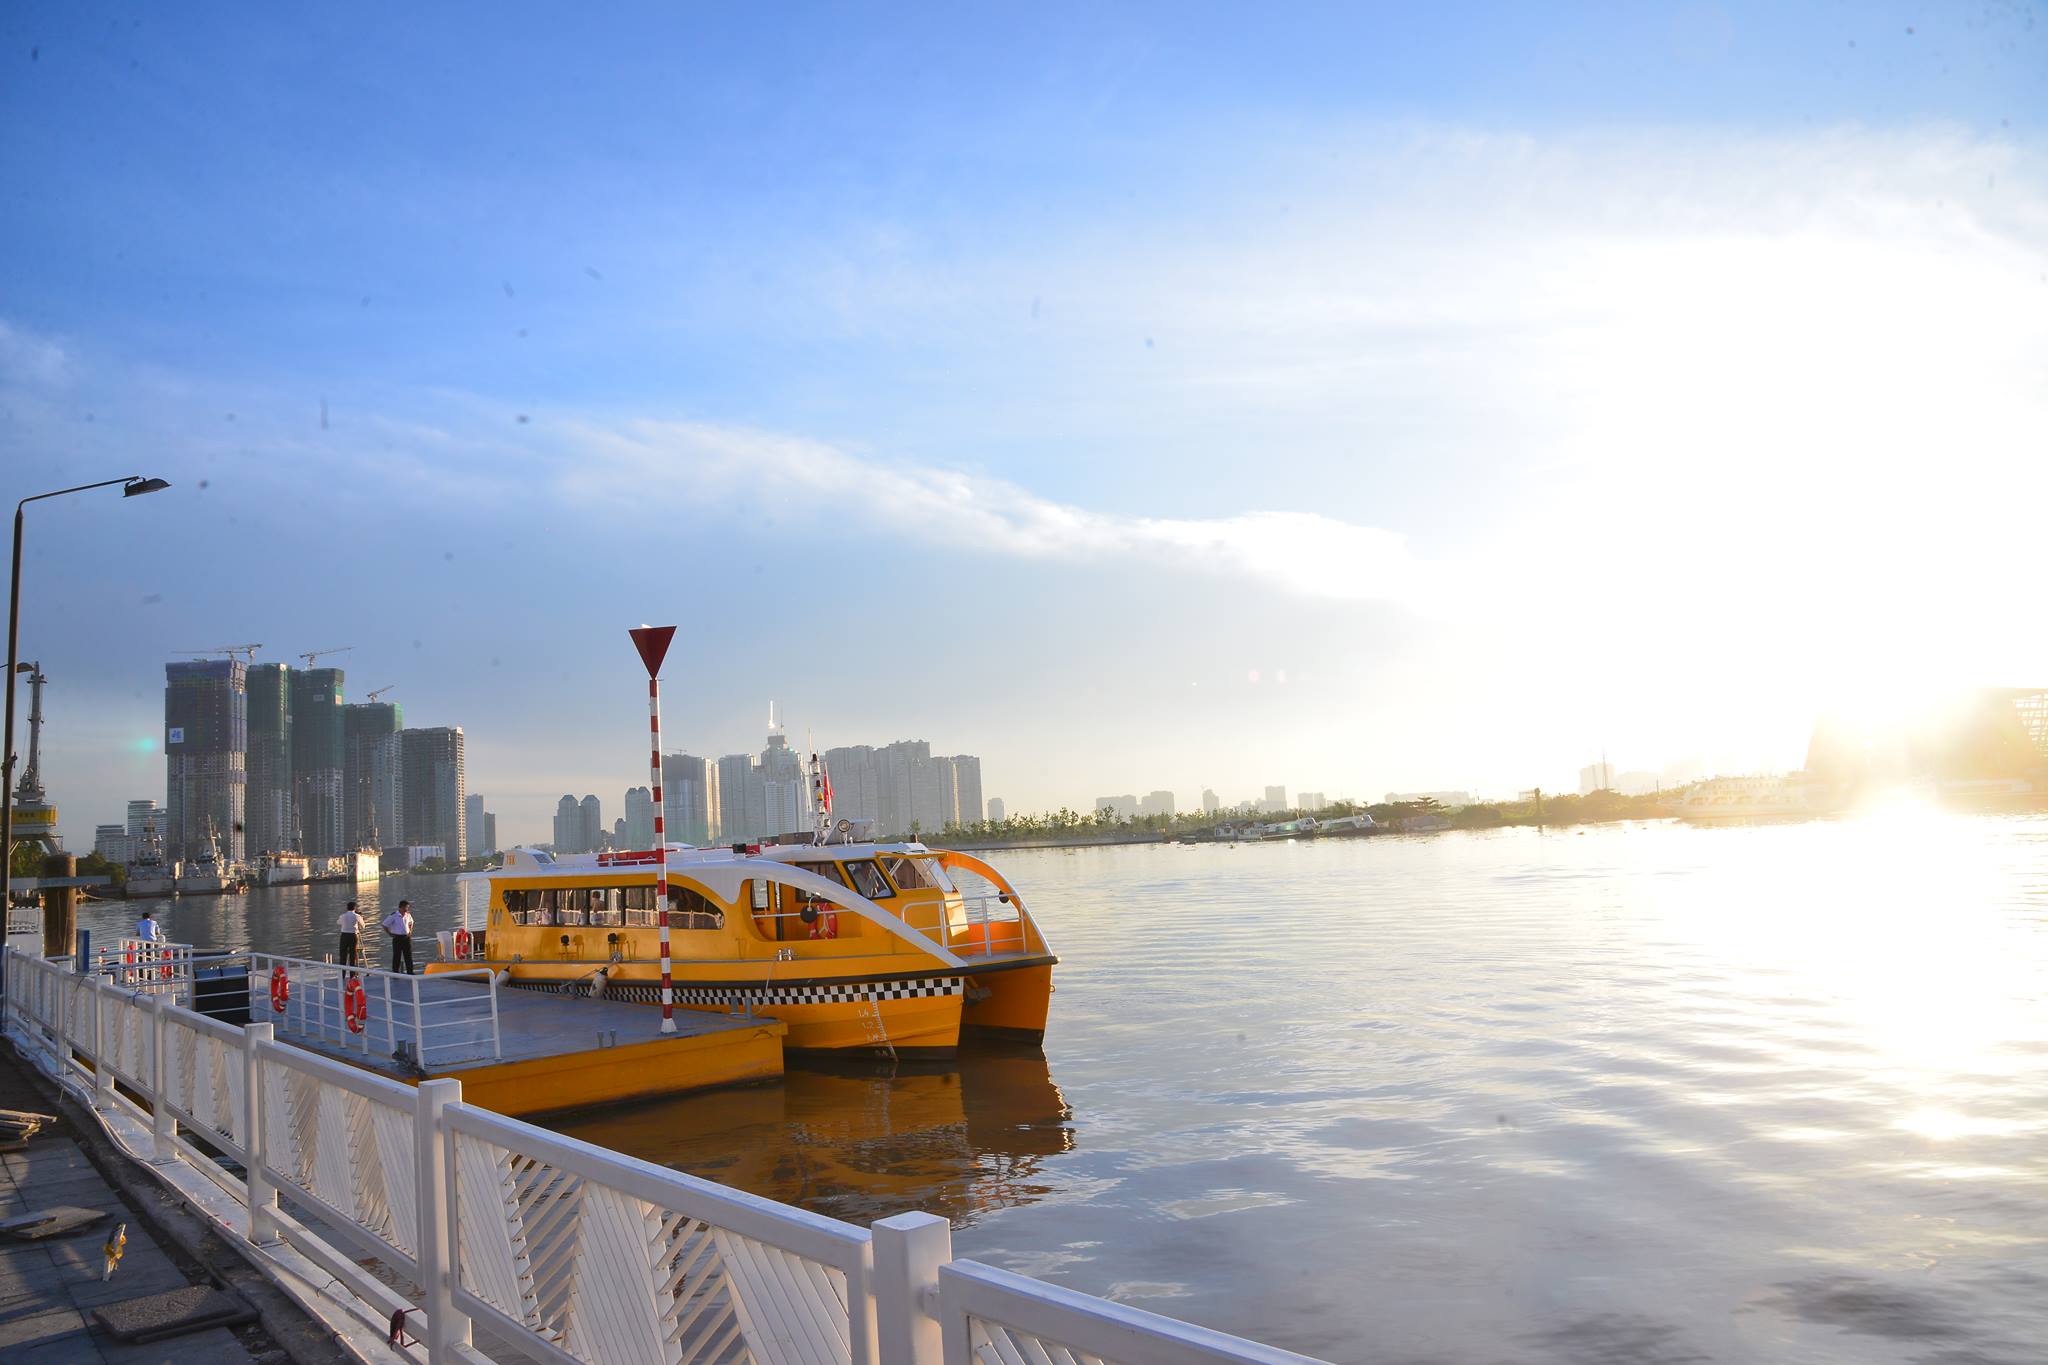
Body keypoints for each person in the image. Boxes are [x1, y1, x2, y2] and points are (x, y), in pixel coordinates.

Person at [382, 900, 416, 975]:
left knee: (408, 955)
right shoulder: (394, 915)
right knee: (397, 955)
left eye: (407, 907)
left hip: (406, 937)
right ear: (401, 907)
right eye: (405, 907)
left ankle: (410, 972)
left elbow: (411, 923)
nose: (406, 909)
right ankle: (395, 972)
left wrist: (410, 931)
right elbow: (384, 925)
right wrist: (389, 933)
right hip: (397, 937)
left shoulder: (408, 915)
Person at [336, 901, 364, 967]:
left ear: (347, 908)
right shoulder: (357, 916)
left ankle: (342, 974)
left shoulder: (343, 916)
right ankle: (352, 975)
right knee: (353, 955)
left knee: (343, 955)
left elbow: (338, 922)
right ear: (355, 908)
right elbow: (363, 926)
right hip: (353, 936)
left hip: (344, 936)